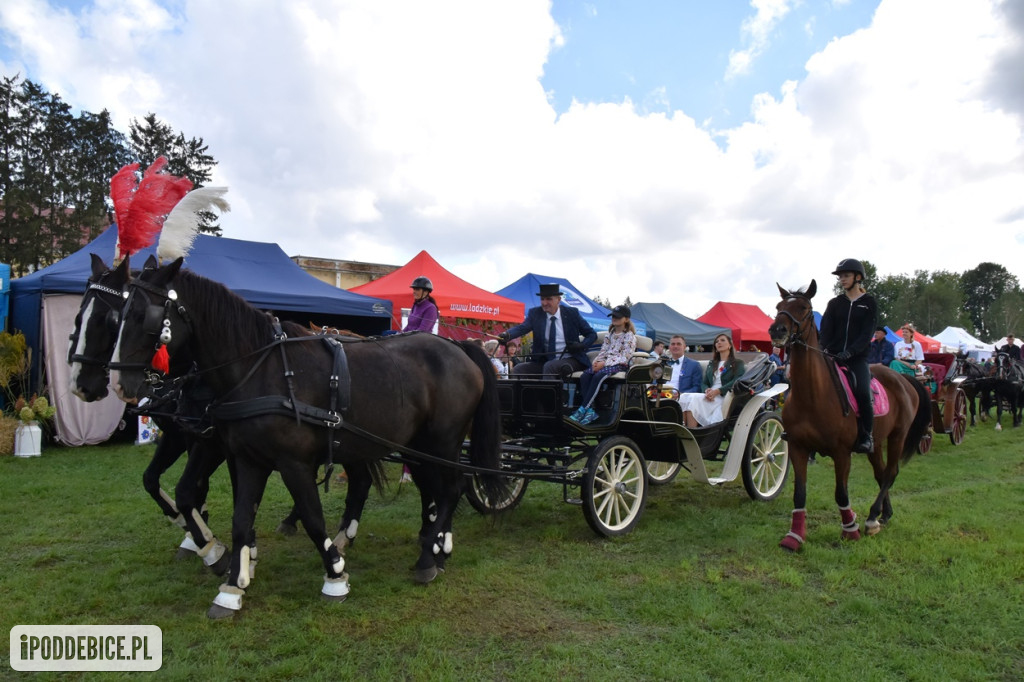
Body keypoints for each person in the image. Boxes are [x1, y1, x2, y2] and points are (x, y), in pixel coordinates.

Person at [819, 258, 877, 454]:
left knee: (862, 391)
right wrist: (823, 349)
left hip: (856, 358)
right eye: (840, 276)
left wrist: (850, 352)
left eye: (846, 276)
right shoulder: (835, 303)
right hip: (832, 356)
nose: (842, 279)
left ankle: (867, 435)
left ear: (858, 277)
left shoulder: (869, 303)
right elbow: (826, 330)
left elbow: (866, 334)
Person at [499, 283, 597, 379]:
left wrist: (581, 346)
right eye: (542, 299)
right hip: (544, 362)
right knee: (518, 369)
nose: (544, 303)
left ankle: (546, 396)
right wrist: (507, 335)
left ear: (558, 300)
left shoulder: (572, 314)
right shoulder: (535, 314)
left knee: (550, 367)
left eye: (548, 299)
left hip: (571, 360)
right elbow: (522, 328)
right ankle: (522, 395)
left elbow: (592, 334)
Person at [569, 306, 637, 424]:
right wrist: (596, 362)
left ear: (626, 319)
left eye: (617, 316)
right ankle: (590, 411)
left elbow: (625, 356)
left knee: (598, 376)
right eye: (613, 316)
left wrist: (604, 363)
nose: (614, 318)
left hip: (620, 364)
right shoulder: (609, 335)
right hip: (605, 364)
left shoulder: (629, 336)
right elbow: (603, 351)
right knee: (586, 375)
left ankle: (583, 408)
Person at [677, 333, 745, 428]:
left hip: (724, 396)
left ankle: (692, 432)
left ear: (730, 345)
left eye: (722, 340)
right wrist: (707, 390)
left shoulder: (738, 363)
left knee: (693, 400)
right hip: (709, 395)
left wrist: (718, 391)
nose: (719, 343)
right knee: (684, 396)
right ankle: (683, 429)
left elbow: (737, 381)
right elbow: (704, 383)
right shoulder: (712, 364)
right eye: (716, 342)